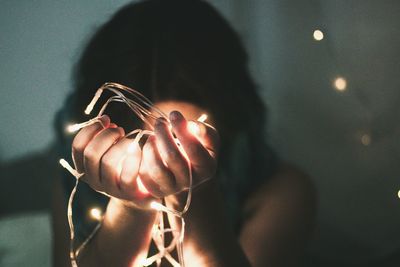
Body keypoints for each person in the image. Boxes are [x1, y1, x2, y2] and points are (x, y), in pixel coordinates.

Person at [52, 0, 316, 266]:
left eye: (181, 138)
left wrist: (195, 193)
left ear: (229, 118)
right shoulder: (71, 187)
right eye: (142, 138)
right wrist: (132, 206)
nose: (164, 155)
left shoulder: (283, 192)